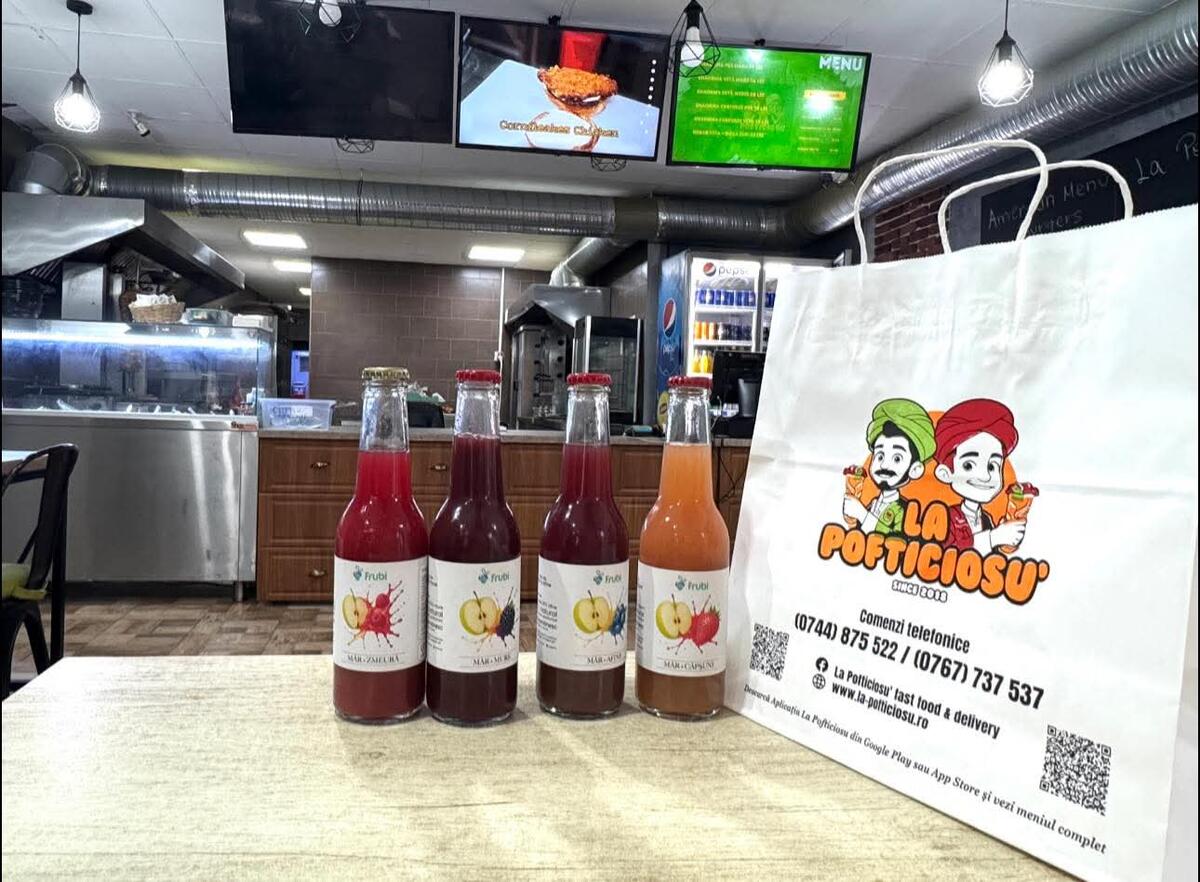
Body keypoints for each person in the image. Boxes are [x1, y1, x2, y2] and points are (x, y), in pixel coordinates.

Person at [933, 398, 1026, 553]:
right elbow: (941, 555)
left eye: (992, 466)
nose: (985, 476)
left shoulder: (986, 519)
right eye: (968, 465)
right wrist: (993, 538)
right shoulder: (945, 517)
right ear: (945, 473)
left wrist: (1008, 541)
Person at [843, 398, 935, 536]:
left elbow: (896, 541)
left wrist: (862, 515)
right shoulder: (872, 503)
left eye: (897, 458)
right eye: (880, 456)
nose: (884, 465)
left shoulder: (906, 511)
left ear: (915, 469)